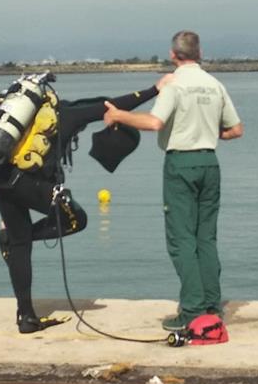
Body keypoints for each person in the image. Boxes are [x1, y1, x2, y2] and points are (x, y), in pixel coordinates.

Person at [0, 74, 172, 334]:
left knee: (18, 244)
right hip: (29, 183)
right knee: (76, 219)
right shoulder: (66, 114)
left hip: (0, 179)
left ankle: (26, 317)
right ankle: (20, 238)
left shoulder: (12, 117)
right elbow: (110, 104)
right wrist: (155, 90)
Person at [103, 31, 243, 331]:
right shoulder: (215, 85)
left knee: (181, 239)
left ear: (172, 54)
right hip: (209, 162)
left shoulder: (174, 83)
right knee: (206, 237)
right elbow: (235, 130)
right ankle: (211, 304)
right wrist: (204, 129)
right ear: (200, 52)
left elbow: (155, 123)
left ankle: (191, 310)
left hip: (181, 163)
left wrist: (119, 116)